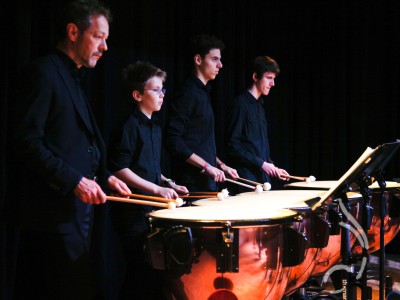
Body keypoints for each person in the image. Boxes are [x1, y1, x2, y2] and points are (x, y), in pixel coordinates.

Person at [9, 1, 131, 299]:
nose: (104, 47)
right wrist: (75, 181)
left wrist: (105, 176)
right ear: (73, 32)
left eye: (106, 39)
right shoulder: (44, 73)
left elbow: (74, 144)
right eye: (98, 37)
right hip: (50, 218)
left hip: (74, 216)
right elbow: (26, 141)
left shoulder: (73, 78)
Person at [108, 61, 188, 299]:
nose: (162, 94)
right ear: (137, 95)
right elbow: (119, 168)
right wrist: (155, 189)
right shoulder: (128, 126)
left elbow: (148, 167)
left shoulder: (154, 127)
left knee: (152, 275)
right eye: (156, 90)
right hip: (132, 212)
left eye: (163, 89)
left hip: (150, 210)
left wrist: (168, 183)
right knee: (139, 273)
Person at [166, 34, 238, 192]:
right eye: (214, 59)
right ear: (198, 60)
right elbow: (174, 140)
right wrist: (206, 166)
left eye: (220, 59)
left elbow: (200, 143)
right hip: (191, 183)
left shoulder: (203, 93)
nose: (220, 65)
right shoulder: (187, 93)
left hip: (206, 180)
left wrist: (221, 165)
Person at [226, 56, 289, 194]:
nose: (273, 83)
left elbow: (259, 147)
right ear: (255, 76)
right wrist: (262, 164)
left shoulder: (260, 106)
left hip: (262, 178)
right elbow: (233, 146)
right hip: (246, 179)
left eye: (274, 78)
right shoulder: (240, 104)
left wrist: (272, 166)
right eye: (268, 78)